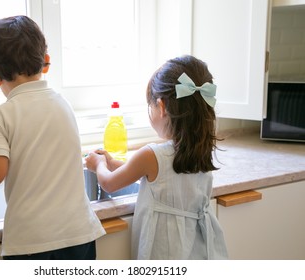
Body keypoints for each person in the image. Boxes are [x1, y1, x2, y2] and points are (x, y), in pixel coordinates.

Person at [0, 15, 105, 260]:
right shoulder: (63, 104)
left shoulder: (0, 115)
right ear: (46, 63)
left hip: (33, 241)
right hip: (80, 233)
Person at [85, 55, 228, 259]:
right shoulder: (200, 148)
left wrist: (99, 164)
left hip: (167, 250)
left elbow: (109, 183)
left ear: (161, 107)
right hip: (199, 247)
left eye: (149, 106)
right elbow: (151, 172)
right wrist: (112, 162)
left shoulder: (152, 154)